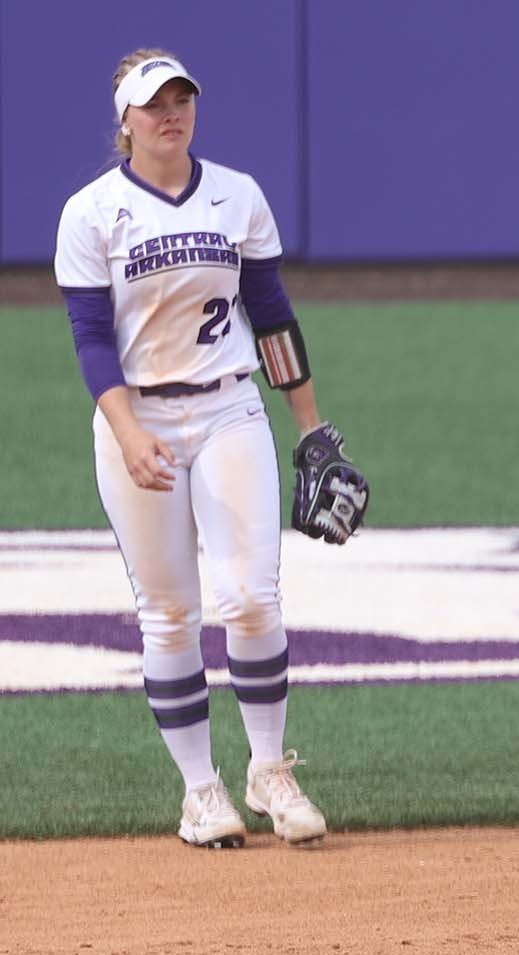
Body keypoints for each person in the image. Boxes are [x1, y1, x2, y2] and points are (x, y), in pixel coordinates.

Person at [53, 50, 365, 848]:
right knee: (168, 614)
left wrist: (310, 426)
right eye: (155, 103)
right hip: (140, 416)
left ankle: (270, 770)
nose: (172, 113)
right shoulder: (91, 212)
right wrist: (126, 432)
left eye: (183, 99)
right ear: (125, 120)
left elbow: (273, 317)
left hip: (230, 408)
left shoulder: (237, 196)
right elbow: (91, 339)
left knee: (252, 597)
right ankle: (201, 791)